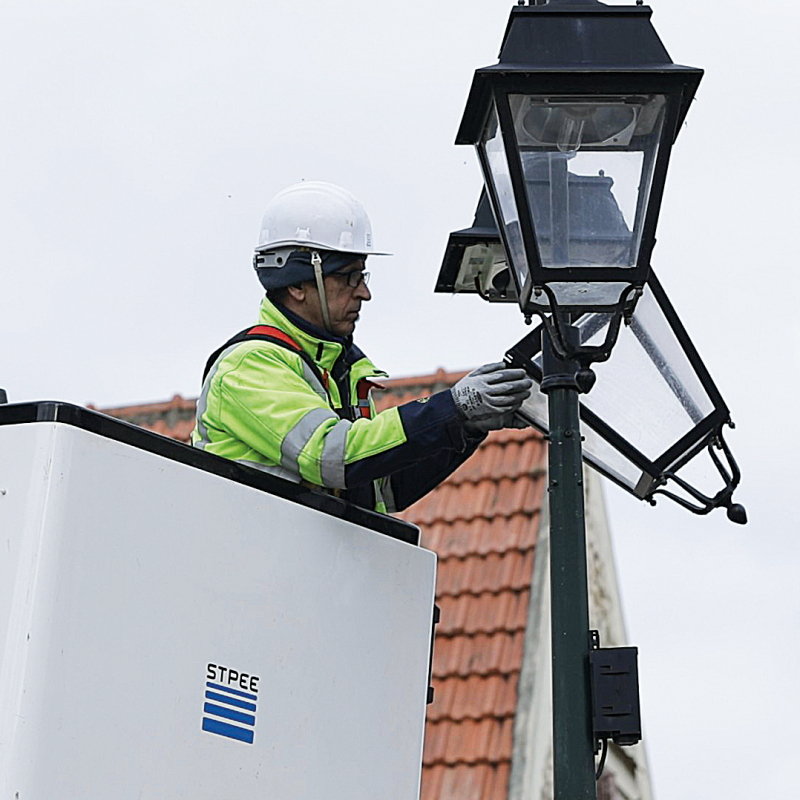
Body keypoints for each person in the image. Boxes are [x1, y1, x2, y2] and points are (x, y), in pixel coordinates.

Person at [191, 181, 532, 513]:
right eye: (349, 276)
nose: (364, 292)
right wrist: (451, 407)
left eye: (362, 276)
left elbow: (383, 489)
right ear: (297, 283)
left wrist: (465, 425)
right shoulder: (250, 366)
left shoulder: (337, 370)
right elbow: (332, 456)